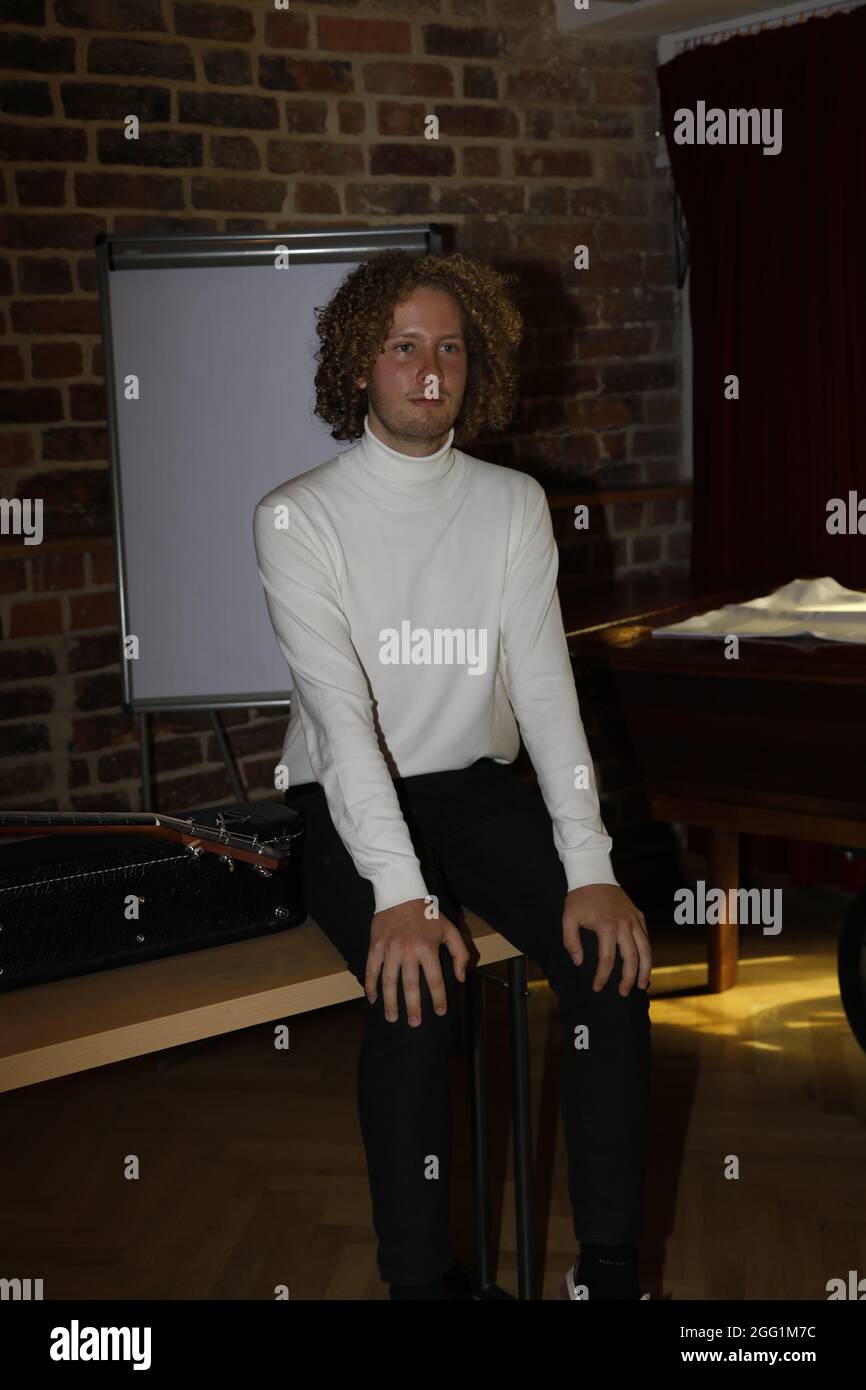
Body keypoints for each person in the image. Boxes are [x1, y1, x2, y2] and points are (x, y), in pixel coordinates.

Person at [252, 250, 652, 1301]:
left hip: (474, 790)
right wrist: (399, 896)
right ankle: (422, 1283)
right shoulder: (296, 517)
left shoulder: (513, 505)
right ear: (357, 367)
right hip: (346, 800)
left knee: (607, 962)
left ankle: (609, 1269)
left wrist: (591, 863)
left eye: (450, 348)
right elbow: (342, 730)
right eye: (402, 347)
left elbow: (548, 691)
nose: (430, 368)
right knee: (417, 997)